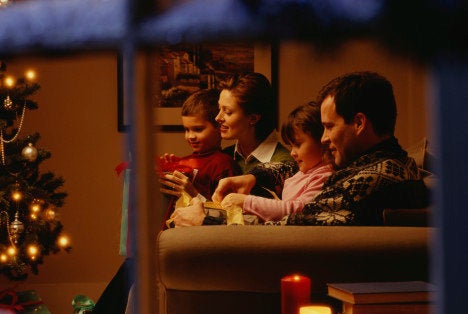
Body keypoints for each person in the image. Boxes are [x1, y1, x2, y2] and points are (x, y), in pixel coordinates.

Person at [171, 71, 429, 226]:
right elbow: (298, 168)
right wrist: (254, 176)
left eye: (329, 127)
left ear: (359, 123)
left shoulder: (375, 178)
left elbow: (295, 225)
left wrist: (208, 221)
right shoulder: (374, 162)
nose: (324, 138)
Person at [92, 89, 240, 314]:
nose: (190, 136)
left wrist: (190, 191)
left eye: (198, 129)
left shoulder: (223, 164)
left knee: (135, 269)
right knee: (133, 268)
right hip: (166, 236)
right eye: (186, 129)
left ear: (218, 128)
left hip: (192, 242)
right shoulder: (188, 160)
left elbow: (224, 212)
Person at [218, 101, 332, 224]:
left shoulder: (323, 176)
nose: (292, 153)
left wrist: (246, 202)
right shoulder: (303, 172)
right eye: (291, 146)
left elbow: (300, 211)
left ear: (322, 141)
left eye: (298, 145)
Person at [217, 72, 292, 174]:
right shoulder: (225, 156)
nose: (217, 118)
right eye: (219, 108)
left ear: (253, 118)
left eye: (227, 112)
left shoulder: (286, 164)